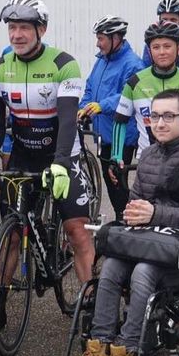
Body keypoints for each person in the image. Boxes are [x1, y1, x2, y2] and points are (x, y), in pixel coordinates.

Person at [55, 89, 179, 356]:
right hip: (151, 240)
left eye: (168, 116)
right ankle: (98, 351)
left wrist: (155, 213)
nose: (159, 123)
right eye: (154, 116)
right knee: (110, 266)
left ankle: (127, 353)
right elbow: (138, 204)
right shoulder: (148, 155)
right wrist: (134, 215)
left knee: (143, 271)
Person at [0, 0, 94, 284]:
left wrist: (61, 162)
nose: (16, 35)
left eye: (24, 27)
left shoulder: (64, 64)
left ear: (41, 30)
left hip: (62, 154)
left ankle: (92, 301)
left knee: (76, 230)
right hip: (24, 154)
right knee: (10, 233)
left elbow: (68, 119)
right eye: (12, 27)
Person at [110, 20, 179, 183]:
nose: (162, 52)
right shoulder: (135, 82)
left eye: (167, 46)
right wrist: (116, 156)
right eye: (156, 47)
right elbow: (120, 121)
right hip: (147, 161)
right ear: (149, 51)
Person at [77, 15, 144, 222]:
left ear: (116, 38)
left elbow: (128, 94)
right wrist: (83, 108)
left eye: (101, 38)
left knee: (117, 183)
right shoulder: (102, 60)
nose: (98, 43)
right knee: (110, 180)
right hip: (102, 132)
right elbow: (90, 88)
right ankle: (121, 220)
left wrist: (101, 106)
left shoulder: (133, 63)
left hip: (122, 134)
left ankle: (126, 222)